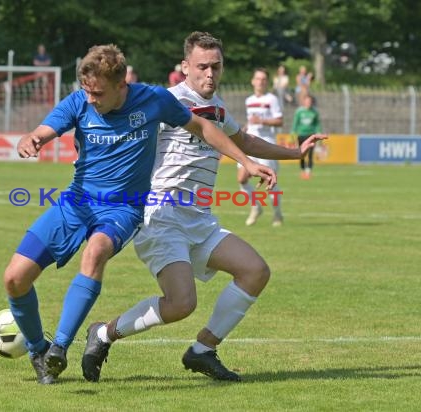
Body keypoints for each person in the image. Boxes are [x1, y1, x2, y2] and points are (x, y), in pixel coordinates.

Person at [5, 43, 276, 385]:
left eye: (99, 93)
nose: (92, 100)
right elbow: (44, 130)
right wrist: (33, 139)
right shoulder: (79, 101)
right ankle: (38, 350)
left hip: (123, 208)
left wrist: (247, 162)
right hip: (76, 203)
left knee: (97, 250)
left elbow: (204, 128)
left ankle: (60, 346)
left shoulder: (152, 100)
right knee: (14, 279)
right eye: (87, 91)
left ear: (122, 85)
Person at [81, 32, 326, 382]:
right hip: (161, 217)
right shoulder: (164, 101)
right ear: (185, 67)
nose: (209, 74)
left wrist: (295, 152)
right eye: (201, 67)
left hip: (199, 220)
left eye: (216, 66)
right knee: (181, 304)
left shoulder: (221, 108)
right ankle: (104, 333)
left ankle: (203, 350)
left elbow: (243, 140)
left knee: (255, 271)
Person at [237, 68, 284, 227]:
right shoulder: (249, 100)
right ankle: (256, 206)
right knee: (242, 178)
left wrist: (262, 121)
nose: (260, 82)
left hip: (266, 143)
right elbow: (251, 121)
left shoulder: (272, 99)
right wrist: (243, 130)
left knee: (270, 182)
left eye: (264, 79)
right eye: (258, 78)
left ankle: (277, 213)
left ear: (267, 82)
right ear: (252, 81)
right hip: (249, 142)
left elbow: (279, 121)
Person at [291, 94, 323, 179]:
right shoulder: (299, 111)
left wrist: (319, 132)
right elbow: (295, 123)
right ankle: (302, 170)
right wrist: (293, 132)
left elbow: (317, 124)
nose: (309, 103)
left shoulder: (314, 112)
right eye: (307, 101)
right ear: (304, 102)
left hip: (311, 135)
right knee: (301, 154)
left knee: (310, 154)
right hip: (301, 135)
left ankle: (308, 171)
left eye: (310, 101)